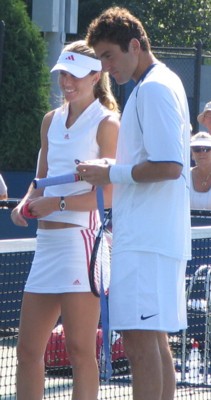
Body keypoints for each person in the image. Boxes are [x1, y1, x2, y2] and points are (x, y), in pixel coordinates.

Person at [76, 7, 191, 400]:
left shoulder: (154, 87)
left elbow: (170, 165)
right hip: (153, 239)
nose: (106, 68)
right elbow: (154, 159)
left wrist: (112, 174)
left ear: (135, 46)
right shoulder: (163, 82)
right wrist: (116, 166)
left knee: (141, 346)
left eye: (109, 56)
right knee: (153, 343)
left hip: (146, 242)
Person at [11, 40, 119, 400]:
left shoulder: (107, 122)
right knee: (26, 351)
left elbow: (109, 195)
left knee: (80, 351)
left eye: (73, 75)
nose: (66, 83)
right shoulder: (50, 121)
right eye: (62, 75)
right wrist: (25, 203)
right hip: (47, 246)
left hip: (81, 244)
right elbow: (40, 178)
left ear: (94, 75)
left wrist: (54, 204)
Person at [190, 131, 211, 209]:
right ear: (192, 153)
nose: (202, 153)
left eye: (207, 149)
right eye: (197, 149)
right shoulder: (184, 177)